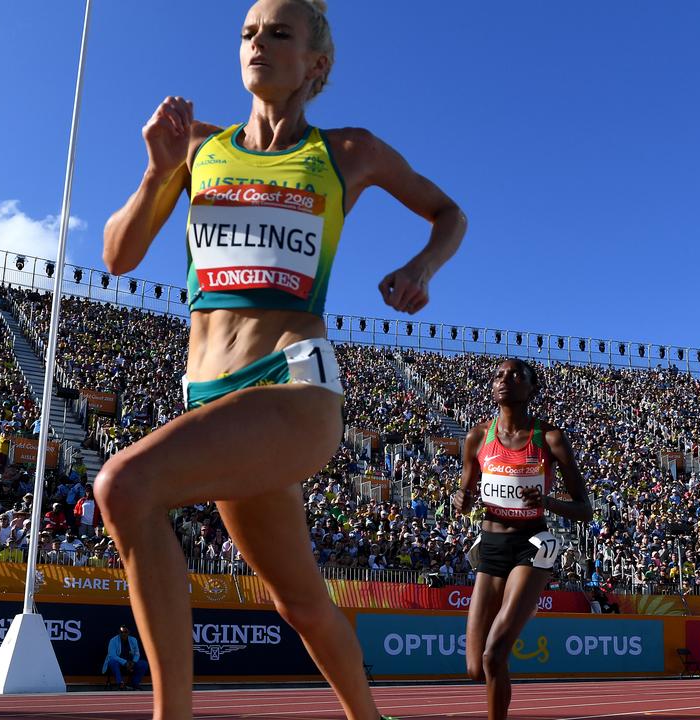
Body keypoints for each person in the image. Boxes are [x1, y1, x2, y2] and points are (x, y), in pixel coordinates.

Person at [97, 1, 465, 718]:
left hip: (295, 388)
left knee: (123, 487)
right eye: (247, 34)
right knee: (300, 604)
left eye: (278, 33)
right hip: (213, 399)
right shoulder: (197, 148)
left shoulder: (347, 153)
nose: (257, 43)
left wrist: (422, 268)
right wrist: (155, 173)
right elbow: (117, 256)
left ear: (316, 64)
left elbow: (450, 212)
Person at [453, 359, 592, 720]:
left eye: (515, 375)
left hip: (534, 544)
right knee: (476, 668)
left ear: (532, 388)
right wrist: (460, 499)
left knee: (494, 653)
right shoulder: (476, 437)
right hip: (491, 546)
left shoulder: (550, 438)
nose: (504, 380)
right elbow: (464, 493)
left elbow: (584, 509)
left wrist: (547, 501)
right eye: (498, 374)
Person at [103, 625, 148, 690]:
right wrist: (124, 662)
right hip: (118, 663)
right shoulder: (113, 640)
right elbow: (112, 655)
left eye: (125, 632)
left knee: (144, 664)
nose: (123, 634)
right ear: (119, 632)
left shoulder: (133, 640)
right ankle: (120, 683)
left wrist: (133, 662)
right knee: (112, 662)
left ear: (128, 632)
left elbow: (137, 653)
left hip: (130, 663)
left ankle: (134, 683)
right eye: (122, 632)